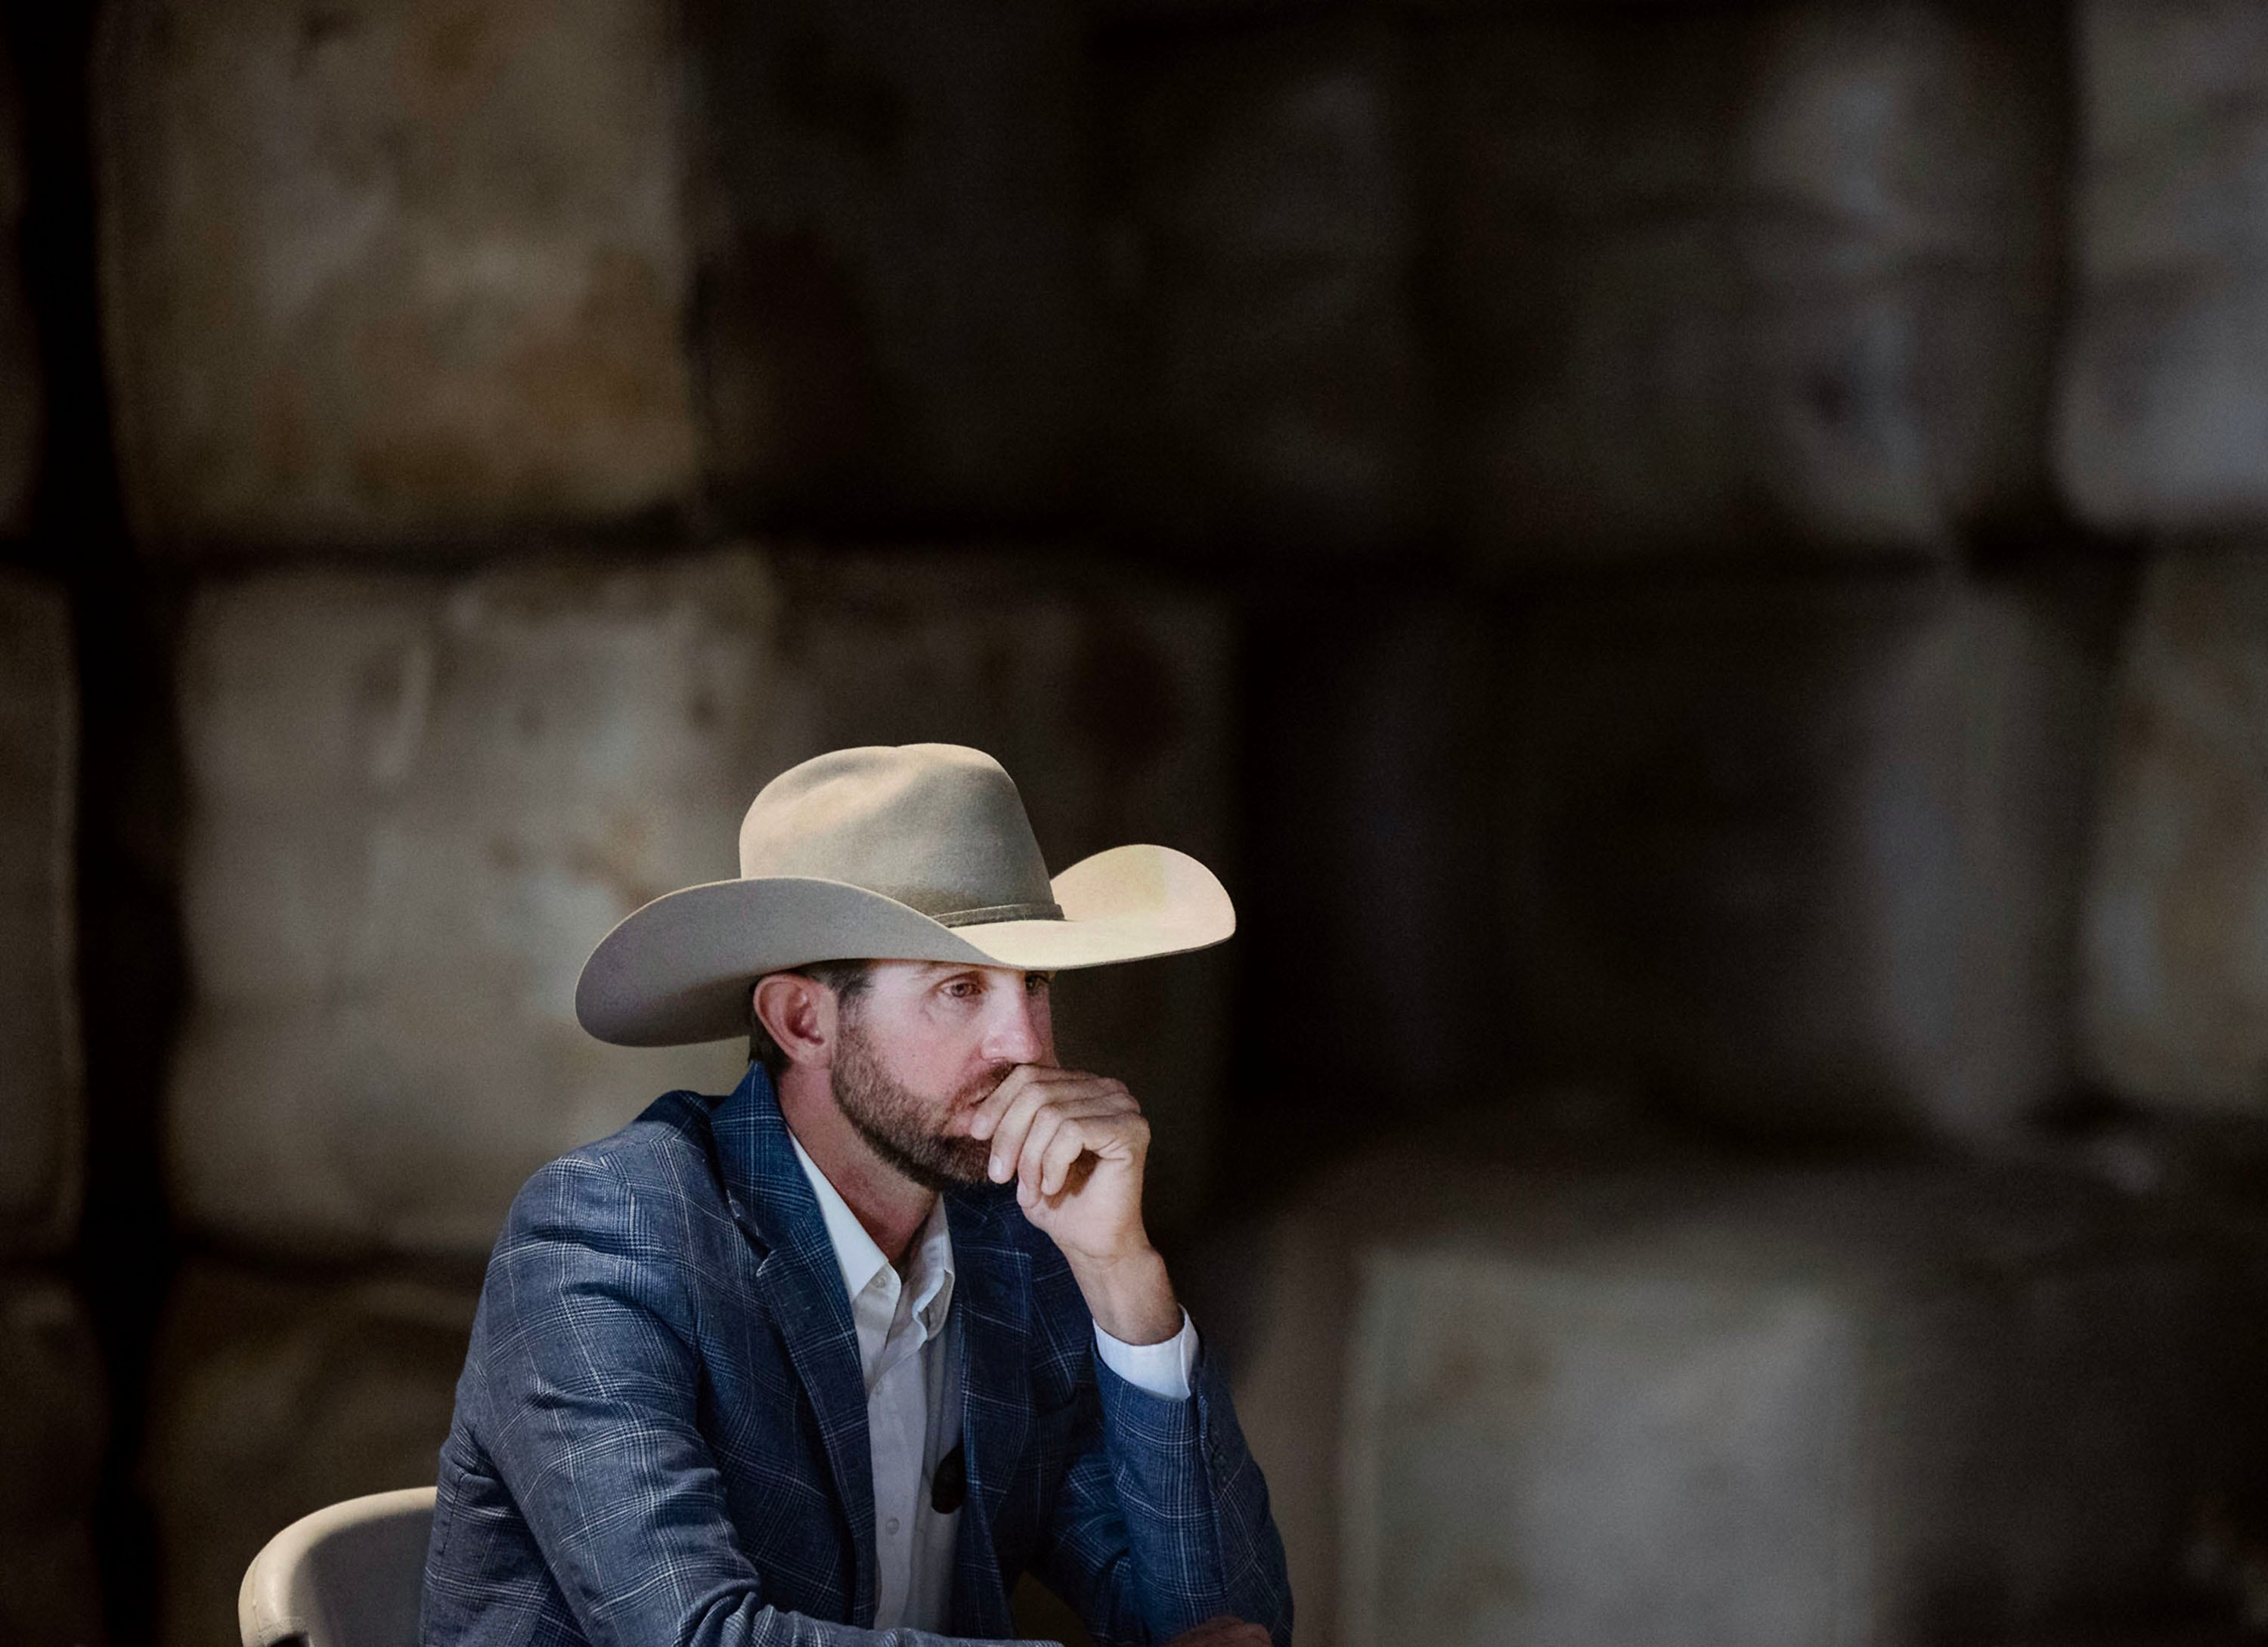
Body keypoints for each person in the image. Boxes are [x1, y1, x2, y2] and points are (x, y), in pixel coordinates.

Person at [421, 743, 1290, 1647]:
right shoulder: (605, 1234)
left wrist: (1123, 1278)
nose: (1027, 1045)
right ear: (805, 1021)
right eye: (960, 988)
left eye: (1035, 983)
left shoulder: (1019, 1246)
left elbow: (1229, 1626)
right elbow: (697, 1637)